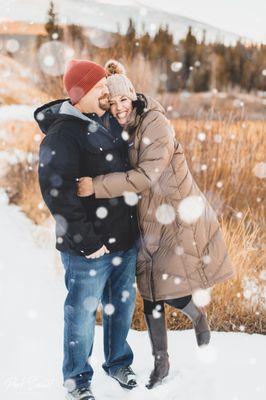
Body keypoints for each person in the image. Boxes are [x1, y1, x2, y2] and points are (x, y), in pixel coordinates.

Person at [77, 60, 235, 389]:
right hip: (146, 219)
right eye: (113, 101)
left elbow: (145, 176)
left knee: (170, 291)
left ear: (134, 97)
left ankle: (196, 314)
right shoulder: (120, 125)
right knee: (150, 293)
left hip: (174, 216)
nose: (119, 108)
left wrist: (97, 185)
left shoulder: (155, 125)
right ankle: (160, 362)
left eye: (124, 100)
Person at [34, 60, 139, 400]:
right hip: (89, 249)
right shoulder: (62, 134)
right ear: (81, 93)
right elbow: (56, 192)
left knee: (120, 308)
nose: (107, 94)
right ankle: (78, 380)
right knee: (81, 316)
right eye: (101, 89)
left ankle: (119, 363)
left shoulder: (106, 118)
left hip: (123, 240)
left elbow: (134, 105)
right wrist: (86, 242)